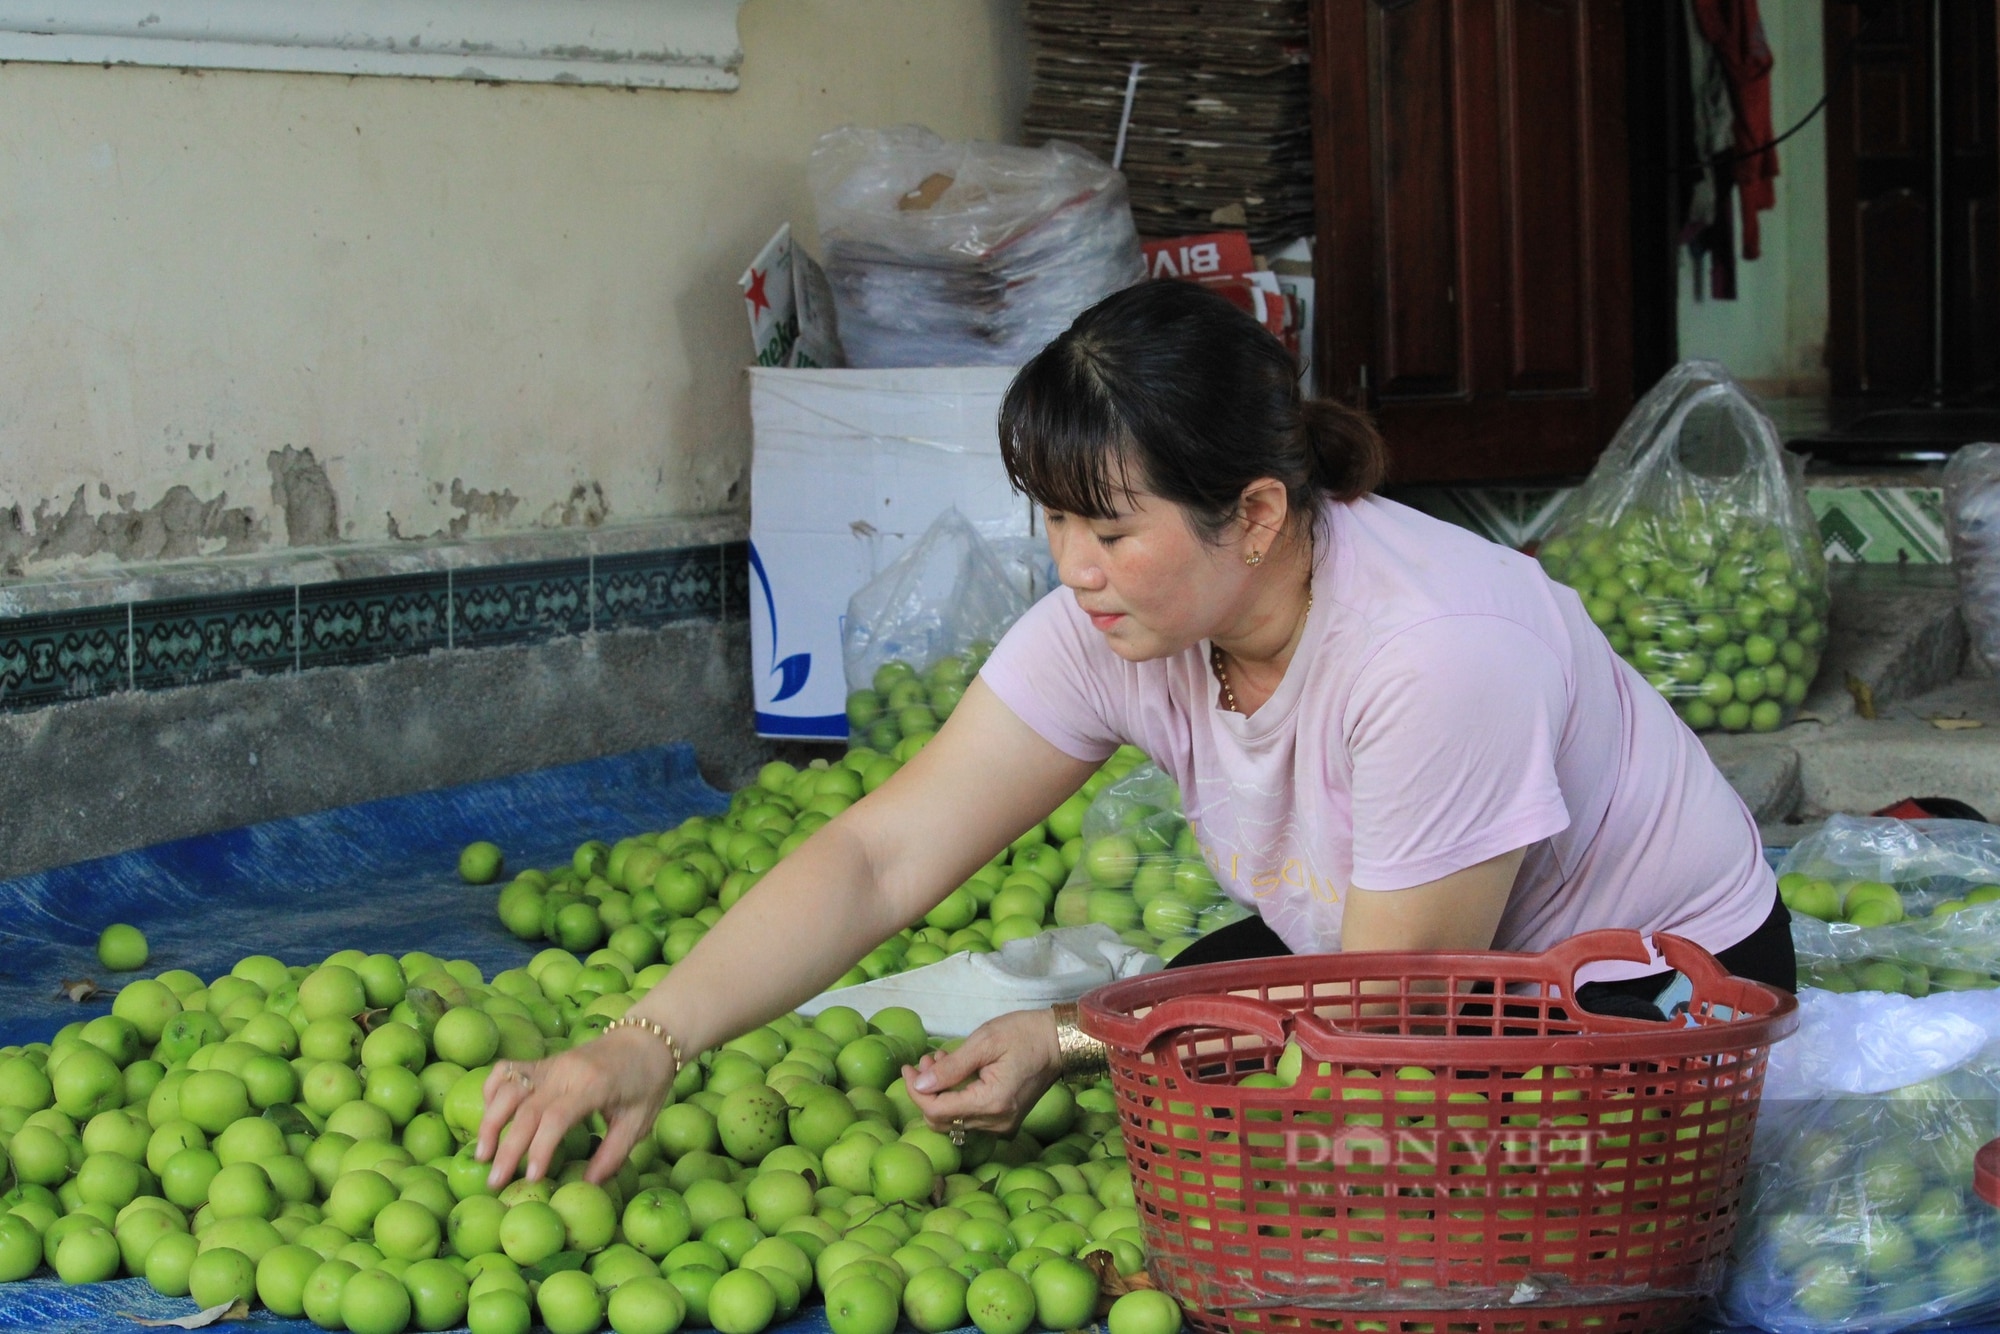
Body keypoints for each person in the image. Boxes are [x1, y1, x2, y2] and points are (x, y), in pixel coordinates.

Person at [475, 280, 1792, 1189]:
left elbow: (1387, 1020)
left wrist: (1075, 1034)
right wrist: (641, 1040)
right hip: (1399, 957)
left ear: (1259, 515)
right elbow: (883, 852)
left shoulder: (1432, 652)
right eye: (1054, 522)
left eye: (1111, 529)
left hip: (1657, 978)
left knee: (1375, 1158)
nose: (1076, 568)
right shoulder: (1124, 627)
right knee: (1188, 1009)